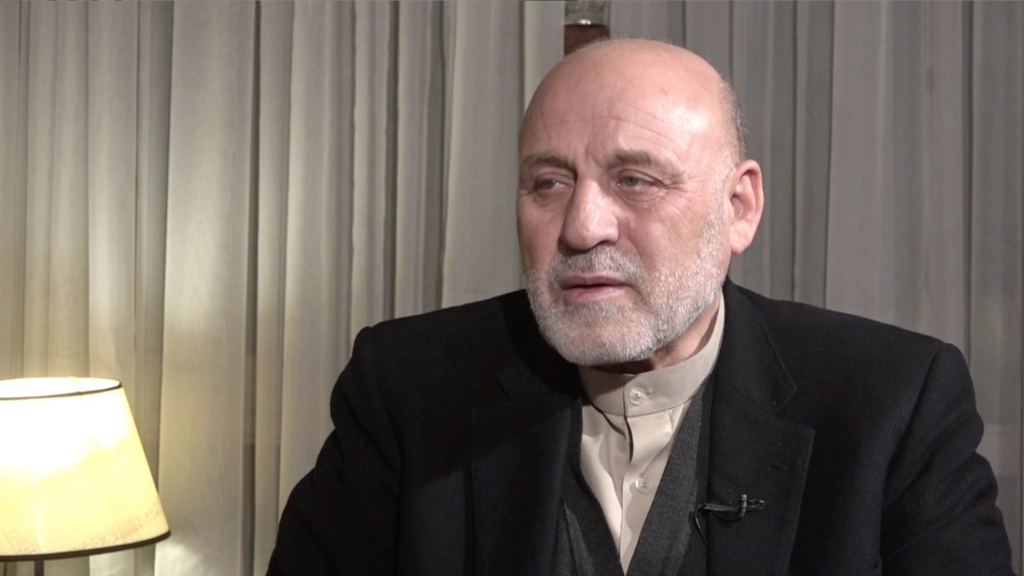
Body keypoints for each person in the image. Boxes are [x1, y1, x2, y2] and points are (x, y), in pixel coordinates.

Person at [267, 39, 1014, 575]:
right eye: (549, 183)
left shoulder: (895, 402)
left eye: (636, 180)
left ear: (739, 207)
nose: (582, 226)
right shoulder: (405, 388)